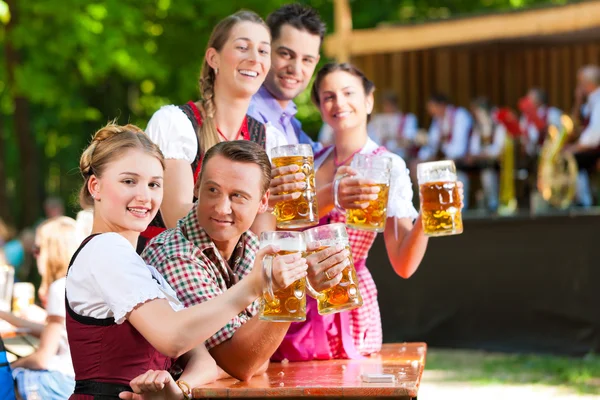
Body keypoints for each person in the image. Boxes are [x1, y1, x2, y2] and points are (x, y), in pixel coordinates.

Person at [65, 123, 306, 399]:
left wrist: (178, 389)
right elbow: (172, 337)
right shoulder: (104, 250)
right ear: (95, 186)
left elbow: (204, 360)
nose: (144, 196)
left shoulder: (137, 266)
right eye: (129, 181)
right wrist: (253, 287)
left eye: (154, 184)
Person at [273, 63, 463, 361]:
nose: (339, 103)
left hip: (350, 308)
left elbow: (403, 264)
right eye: (328, 96)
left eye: (348, 93)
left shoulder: (388, 165)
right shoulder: (307, 160)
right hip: (296, 306)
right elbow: (278, 230)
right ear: (320, 107)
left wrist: (427, 214)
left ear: (369, 100)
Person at [142, 139, 347, 380]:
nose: (221, 208)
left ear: (263, 202)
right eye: (212, 190)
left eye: (238, 196)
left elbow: (258, 356)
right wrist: (290, 287)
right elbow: (241, 363)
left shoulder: (251, 245)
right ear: (196, 187)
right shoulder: (173, 254)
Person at [141, 11, 286, 248]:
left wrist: (268, 206)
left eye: (263, 51)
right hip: (171, 270)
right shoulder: (176, 124)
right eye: (242, 47)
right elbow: (178, 220)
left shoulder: (269, 140)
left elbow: (260, 242)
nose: (254, 58)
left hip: (234, 274)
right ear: (213, 58)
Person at [7, 216, 79, 400]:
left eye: (37, 249)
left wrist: (11, 365)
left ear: (52, 253)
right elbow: (64, 335)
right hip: (82, 379)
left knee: (5, 379)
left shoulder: (59, 287)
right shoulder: (82, 282)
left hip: (63, 381)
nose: (34, 254)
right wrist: (10, 318)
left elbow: (43, 359)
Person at [248, 3, 325, 153]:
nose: (295, 69)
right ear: (264, 49)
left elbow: (324, 159)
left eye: (307, 60)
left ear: (315, 62)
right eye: (286, 54)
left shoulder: (290, 121)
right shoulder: (248, 115)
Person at [415, 93, 472, 208]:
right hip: (446, 156)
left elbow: (459, 145)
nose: (431, 112)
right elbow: (432, 143)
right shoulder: (438, 120)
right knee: (417, 165)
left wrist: (444, 157)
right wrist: (423, 156)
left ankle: (456, 206)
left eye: (432, 107)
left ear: (441, 105)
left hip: (463, 156)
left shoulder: (460, 115)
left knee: (446, 166)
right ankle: (430, 204)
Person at [565, 65, 600, 207]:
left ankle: (584, 200)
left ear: (588, 84)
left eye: (580, 83)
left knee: (571, 159)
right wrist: (577, 102)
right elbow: (576, 126)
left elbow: (594, 135)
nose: (578, 87)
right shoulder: (591, 101)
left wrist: (574, 148)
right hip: (592, 146)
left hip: (596, 148)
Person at [368, 90, 419, 161]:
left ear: (396, 104)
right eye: (385, 104)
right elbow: (370, 139)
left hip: (402, 156)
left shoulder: (408, 119)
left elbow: (410, 140)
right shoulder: (377, 120)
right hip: (381, 156)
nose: (388, 107)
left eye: (390, 104)